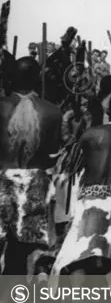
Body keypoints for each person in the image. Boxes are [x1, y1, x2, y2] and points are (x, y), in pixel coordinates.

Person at [52, 92, 111, 275]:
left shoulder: (90, 134)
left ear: (108, 110)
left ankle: (74, 299)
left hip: (87, 199)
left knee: (79, 253)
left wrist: (76, 133)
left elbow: (70, 167)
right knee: (109, 255)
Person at [0, 57, 64, 276]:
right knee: (27, 246)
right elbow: (51, 157)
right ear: (37, 79)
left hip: (1, 178)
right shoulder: (53, 112)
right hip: (36, 182)